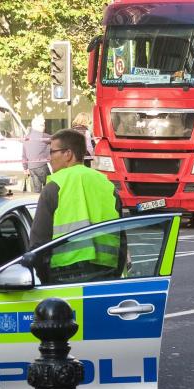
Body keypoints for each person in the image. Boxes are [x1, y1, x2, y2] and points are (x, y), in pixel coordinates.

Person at [29, 128, 121, 283]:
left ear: (68, 154)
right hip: (106, 274)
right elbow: (121, 235)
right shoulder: (107, 185)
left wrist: (44, 279)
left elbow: (38, 244)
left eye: (52, 152)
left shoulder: (55, 186)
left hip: (64, 275)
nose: (48, 158)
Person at [22, 115, 51, 193]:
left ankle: (36, 203)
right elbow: (57, 139)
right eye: (43, 125)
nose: (44, 127)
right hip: (42, 166)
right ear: (40, 126)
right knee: (50, 187)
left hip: (31, 167)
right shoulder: (43, 136)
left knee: (36, 191)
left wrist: (25, 168)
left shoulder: (26, 137)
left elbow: (24, 155)